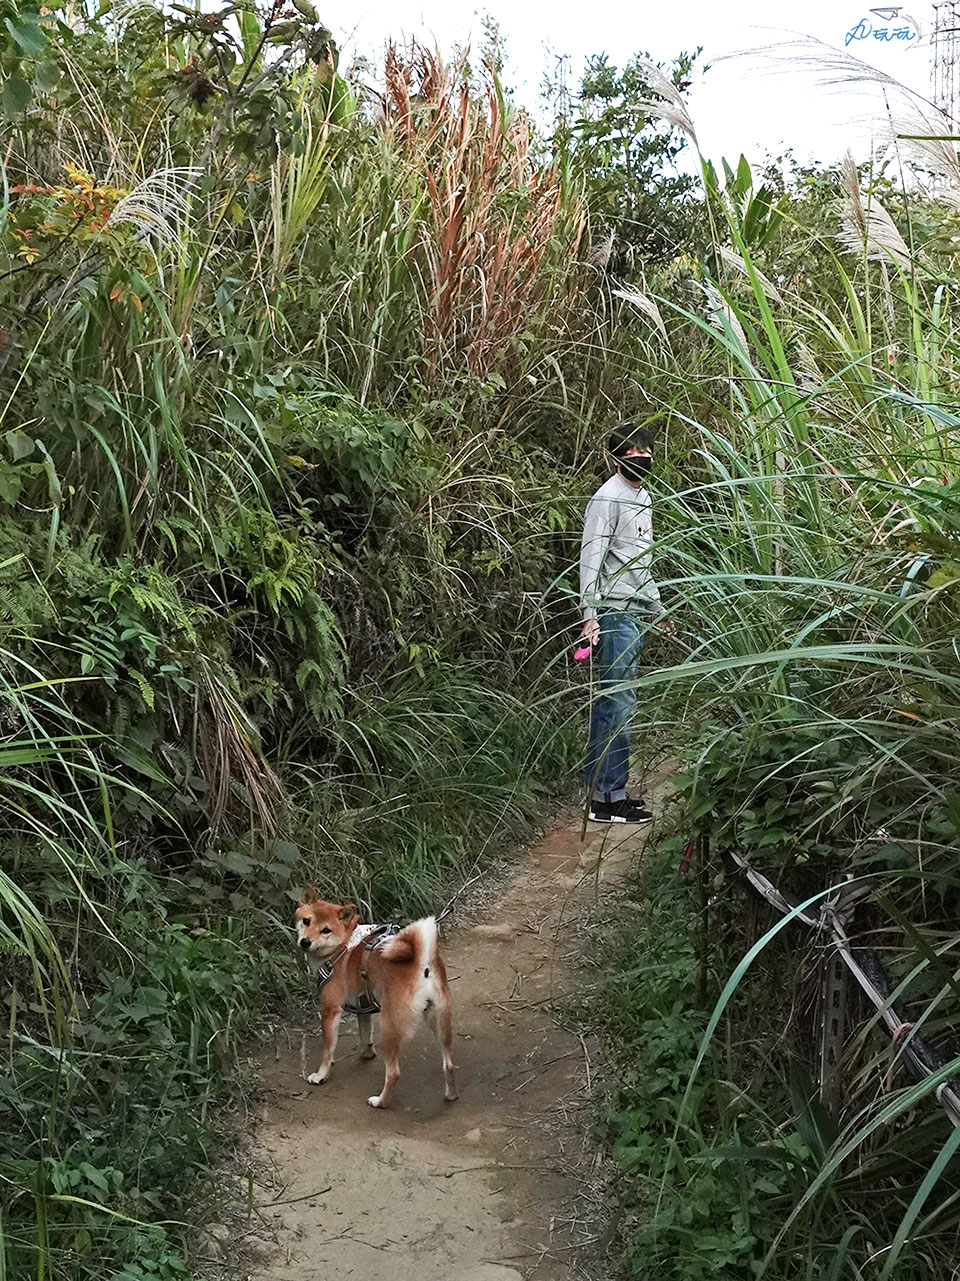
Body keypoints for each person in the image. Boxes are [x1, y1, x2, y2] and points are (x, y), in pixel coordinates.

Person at [578, 420, 671, 824]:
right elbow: (591, 559)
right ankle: (607, 798)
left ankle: (606, 789)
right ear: (615, 458)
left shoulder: (644, 497)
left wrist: (657, 607)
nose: (640, 460)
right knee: (619, 702)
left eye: (645, 453)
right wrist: (590, 616)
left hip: (636, 610)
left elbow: (640, 561)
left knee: (614, 703)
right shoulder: (607, 499)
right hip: (614, 613)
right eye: (631, 454)